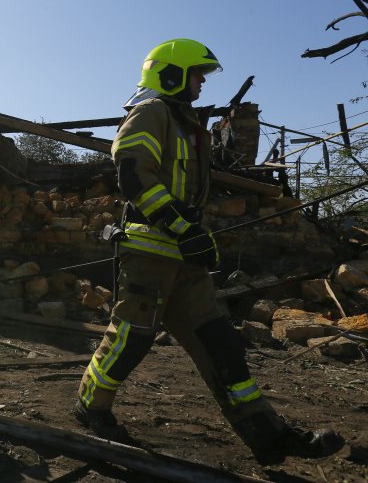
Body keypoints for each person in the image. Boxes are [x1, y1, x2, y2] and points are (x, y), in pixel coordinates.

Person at [73, 38, 344, 464]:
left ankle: (266, 436)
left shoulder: (189, 124)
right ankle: (91, 407)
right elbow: (133, 175)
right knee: (131, 339)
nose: (202, 82)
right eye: (197, 73)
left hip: (185, 258)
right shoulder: (151, 112)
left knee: (221, 346)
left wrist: (198, 238)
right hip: (148, 253)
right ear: (171, 73)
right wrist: (181, 225)